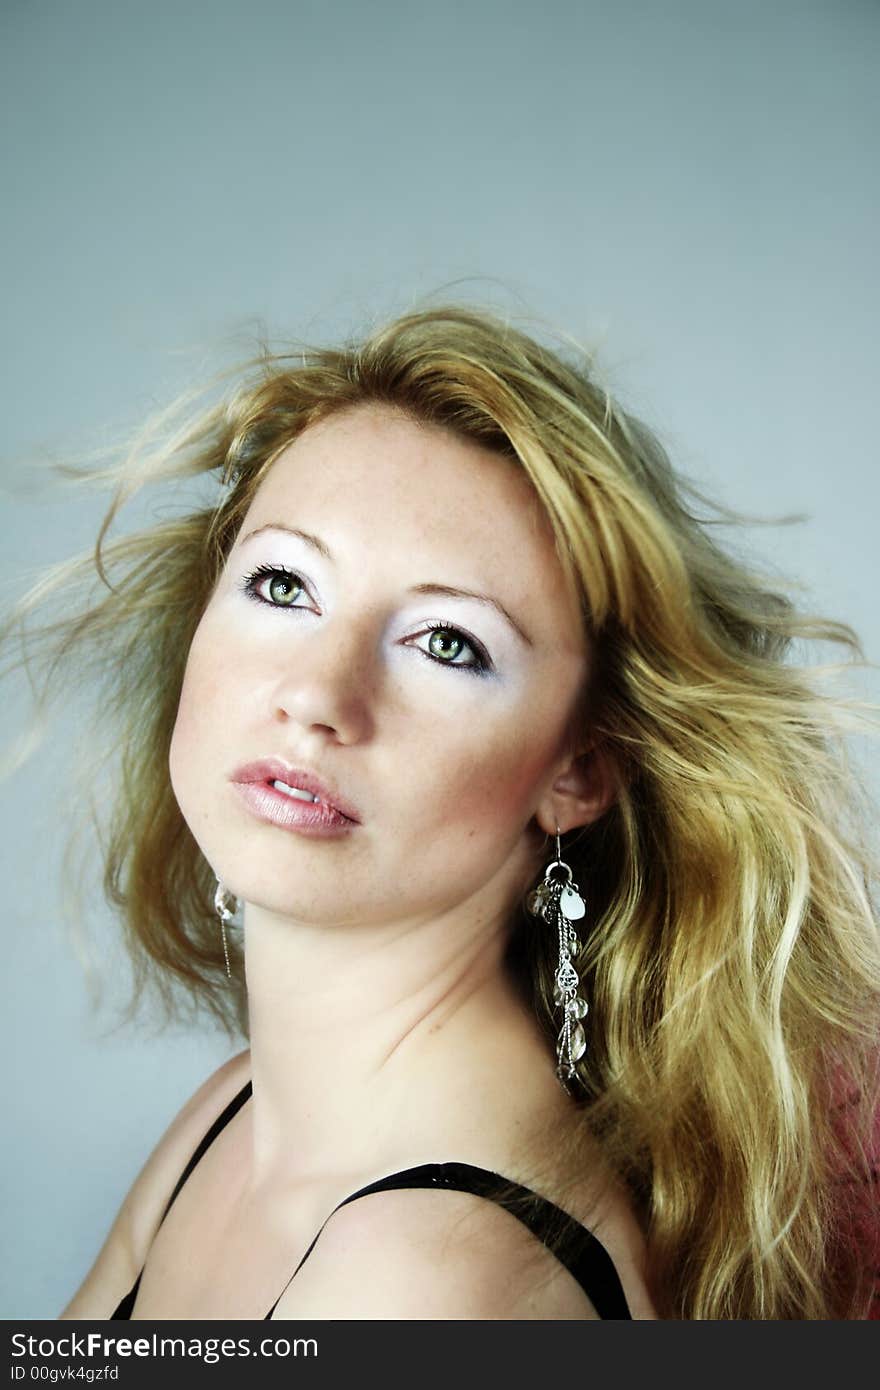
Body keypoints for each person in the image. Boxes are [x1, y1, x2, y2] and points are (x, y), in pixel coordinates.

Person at [6, 304, 879, 1320]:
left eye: (448, 644)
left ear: (578, 771)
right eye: (283, 583)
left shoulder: (427, 1272)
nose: (318, 697)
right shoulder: (232, 1118)